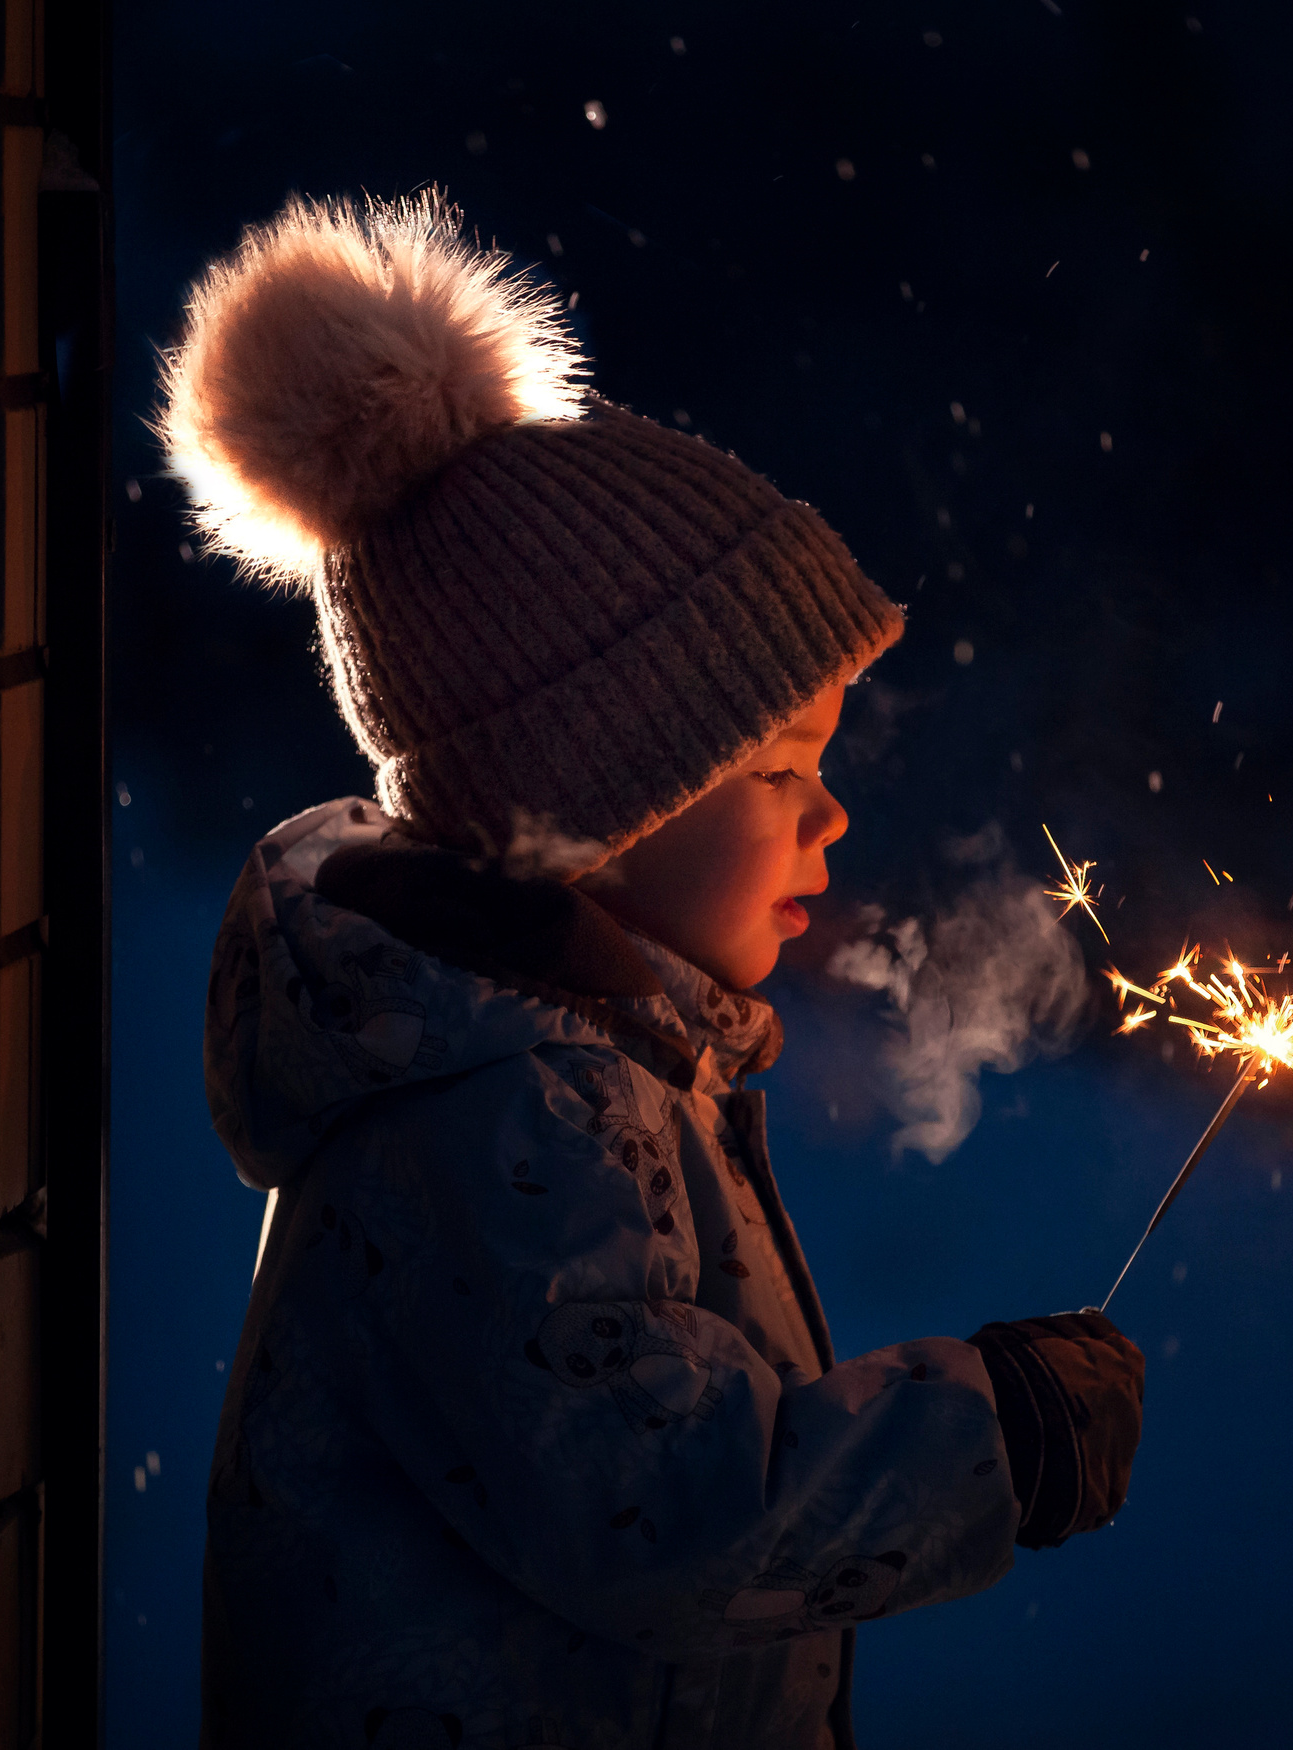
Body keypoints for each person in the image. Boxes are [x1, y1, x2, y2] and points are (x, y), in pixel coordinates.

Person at [164, 191, 1146, 1749]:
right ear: (597, 808)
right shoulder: (501, 1112)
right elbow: (664, 1507)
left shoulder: (574, 1065)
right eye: (778, 769)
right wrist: (992, 1435)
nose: (831, 814)